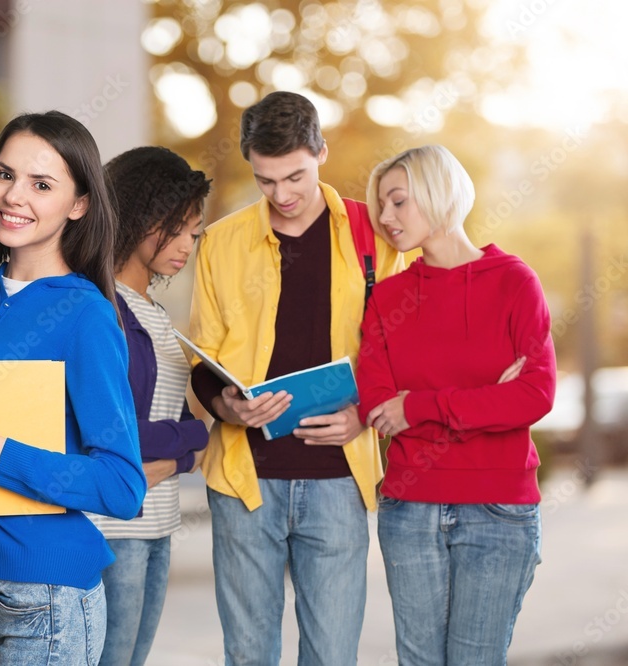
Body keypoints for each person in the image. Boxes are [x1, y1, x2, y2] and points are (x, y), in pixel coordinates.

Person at [0, 111, 147, 665]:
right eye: (5, 175)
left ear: (79, 204)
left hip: (51, 599)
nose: (14, 196)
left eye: (41, 185)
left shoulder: (87, 315)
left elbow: (122, 486)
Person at [187, 91, 404, 665]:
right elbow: (201, 361)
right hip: (244, 484)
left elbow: (404, 351)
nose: (282, 195)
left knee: (332, 656)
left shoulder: (374, 237)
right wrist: (230, 408)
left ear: (322, 153)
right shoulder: (222, 243)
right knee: (249, 654)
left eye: (295, 177)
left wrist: (363, 416)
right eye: (265, 181)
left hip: (339, 481)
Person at [357, 144, 556, 665]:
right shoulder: (386, 298)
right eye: (382, 205)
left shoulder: (515, 282)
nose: (386, 217)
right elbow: (379, 408)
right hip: (411, 507)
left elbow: (534, 395)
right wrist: (488, 398)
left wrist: (419, 406)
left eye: (398, 202)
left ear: (437, 193)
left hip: (499, 510)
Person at [91, 146, 212, 666]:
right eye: (176, 228)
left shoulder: (155, 314)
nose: (187, 244)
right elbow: (117, 432)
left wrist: (181, 450)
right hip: (115, 528)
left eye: (195, 232)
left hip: (156, 525)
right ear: (137, 215)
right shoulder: (102, 307)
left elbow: (172, 422)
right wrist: (197, 438)